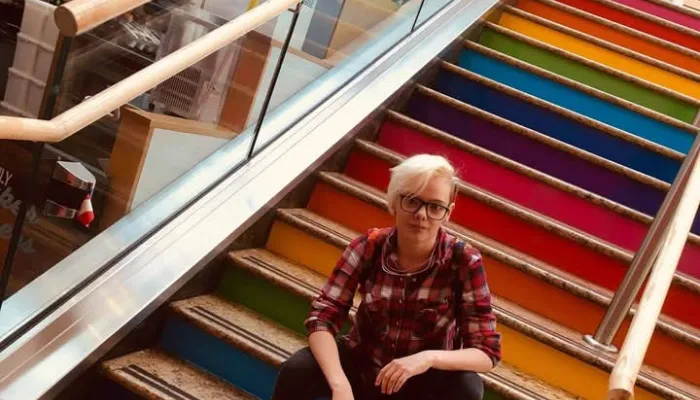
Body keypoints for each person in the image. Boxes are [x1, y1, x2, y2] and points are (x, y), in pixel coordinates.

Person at [271, 154, 502, 400]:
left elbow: (486, 352)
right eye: (412, 201)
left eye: (435, 206)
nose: (422, 214)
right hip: (363, 369)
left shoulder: (464, 261)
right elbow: (322, 319)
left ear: (447, 212)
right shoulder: (367, 248)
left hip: (421, 383)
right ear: (393, 201)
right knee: (298, 370)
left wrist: (427, 358)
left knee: (467, 387)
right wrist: (339, 384)